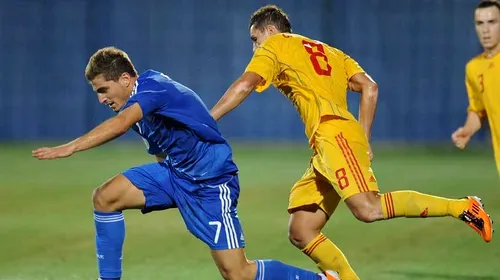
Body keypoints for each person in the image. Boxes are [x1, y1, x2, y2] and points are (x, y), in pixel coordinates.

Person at [209, 5, 494, 280]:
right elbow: (370, 87)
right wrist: (364, 137)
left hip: (334, 135)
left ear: (270, 30)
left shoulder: (275, 45)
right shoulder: (329, 51)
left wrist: (208, 119)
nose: (255, 48)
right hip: (327, 143)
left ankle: (463, 207)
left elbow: (245, 84)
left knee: (368, 208)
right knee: (302, 229)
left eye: (255, 40)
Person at [32, 47, 340, 280]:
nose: (101, 99)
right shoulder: (135, 105)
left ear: (125, 79)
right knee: (105, 197)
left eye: (103, 90)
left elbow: (121, 124)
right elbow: (160, 150)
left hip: (211, 183)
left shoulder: (153, 87)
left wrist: (70, 147)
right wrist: (169, 193)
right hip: (175, 174)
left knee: (237, 273)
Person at [452, 0, 500, 177]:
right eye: (480, 23)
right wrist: (467, 130)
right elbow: (478, 110)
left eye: (492, 22)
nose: (485, 30)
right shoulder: (474, 68)